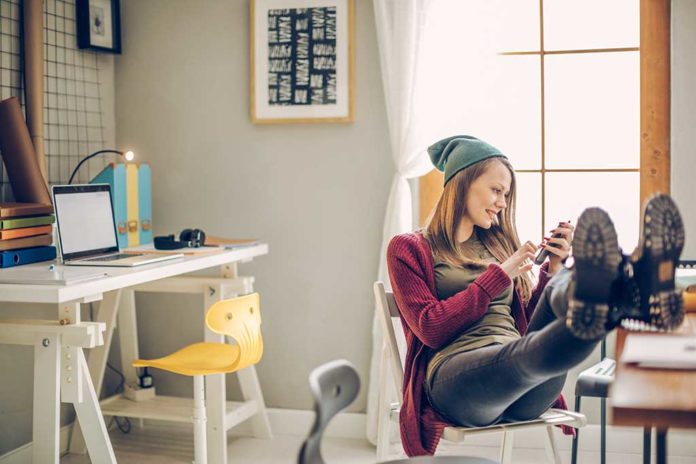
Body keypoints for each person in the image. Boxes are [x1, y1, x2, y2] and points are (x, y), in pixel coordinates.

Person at [386, 135, 685, 456]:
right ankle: (619, 297)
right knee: (526, 355)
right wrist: (499, 275)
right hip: (457, 384)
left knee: (555, 304)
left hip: (525, 385)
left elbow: (528, 321)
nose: (502, 202)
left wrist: (553, 267)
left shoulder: (496, 244)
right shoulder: (409, 248)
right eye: (496, 190)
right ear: (462, 184)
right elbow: (430, 328)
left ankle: (620, 292)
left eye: (506, 194)